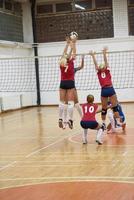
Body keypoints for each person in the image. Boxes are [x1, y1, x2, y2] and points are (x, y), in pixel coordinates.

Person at [89, 47, 122, 129]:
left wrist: (93, 55)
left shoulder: (99, 72)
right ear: (104, 67)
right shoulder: (107, 70)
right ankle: (118, 122)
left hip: (103, 90)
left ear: (100, 68)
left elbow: (95, 65)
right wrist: (104, 53)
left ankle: (103, 123)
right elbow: (106, 62)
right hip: (110, 89)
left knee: (104, 109)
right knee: (115, 107)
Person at [58, 36, 77, 129]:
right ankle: (70, 119)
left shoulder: (61, 62)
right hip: (70, 82)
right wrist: (73, 43)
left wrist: (67, 44)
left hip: (63, 82)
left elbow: (64, 54)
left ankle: (60, 119)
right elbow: (74, 53)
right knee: (70, 102)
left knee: (61, 102)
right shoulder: (71, 62)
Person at [62, 55, 84, 129]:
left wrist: (82, 59)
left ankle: (66, 121)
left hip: (67, 87)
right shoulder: (71, 68)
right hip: (71, 87)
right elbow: (81, 66)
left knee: (71, 103)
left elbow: (81, 66)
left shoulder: (65, 67)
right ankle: (66, 121)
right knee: (72, 103)